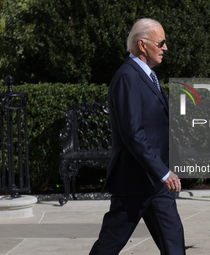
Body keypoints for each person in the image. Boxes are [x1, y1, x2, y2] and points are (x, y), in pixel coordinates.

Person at [89, 18, 185, 255]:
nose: (165, 48)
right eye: (161, 42)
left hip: (156, 182)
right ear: (143, 45)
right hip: (135, 182)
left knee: (174, 243)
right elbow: (133, 133)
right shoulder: (128, 77)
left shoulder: (147, 75)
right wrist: (162, 172)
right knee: (109, 245)